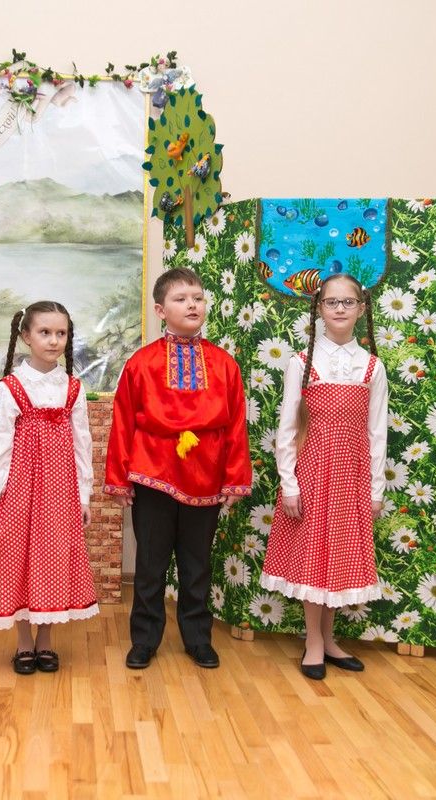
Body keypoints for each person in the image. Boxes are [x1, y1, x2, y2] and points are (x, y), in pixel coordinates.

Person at [105, 267, 252, 670]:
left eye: (198, 298)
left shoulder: (224, 364)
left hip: (206, 473)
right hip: (153, 472)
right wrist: (118, 478)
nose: (192, 305)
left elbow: (236, 424)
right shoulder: (141, 363)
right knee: (150, 565)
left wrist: (236, 478)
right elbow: (123, 421)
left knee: (197, 564)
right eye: (181, 299)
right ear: (160, 310)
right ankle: (144, 640)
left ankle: (198, 638)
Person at [259, 273, 388, 680]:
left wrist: (376, 489)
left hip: (352, 476)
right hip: (313, 471)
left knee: (339, 559)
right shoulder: (302, 362)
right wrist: (289, 483)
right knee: (314, 558)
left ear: (361, 309)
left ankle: (330, 640)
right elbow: (287, 428)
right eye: (331, 302)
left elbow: (377, 432)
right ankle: (313, 641)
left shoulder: (372, 367)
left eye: (348, 302)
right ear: (319, 308)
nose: (339, 309)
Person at [0, 301, 99, 675]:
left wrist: (83, 495)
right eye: (45, 332)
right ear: (26, 336)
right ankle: (23, 642)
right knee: (17, 557)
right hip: (19, 489)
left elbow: (82, 444)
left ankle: (46, 639)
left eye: (61, 333)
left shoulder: (73, 388)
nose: (53, 340)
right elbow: (0, 445)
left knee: (53, 559)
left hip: (60, 491)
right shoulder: (11, 387)